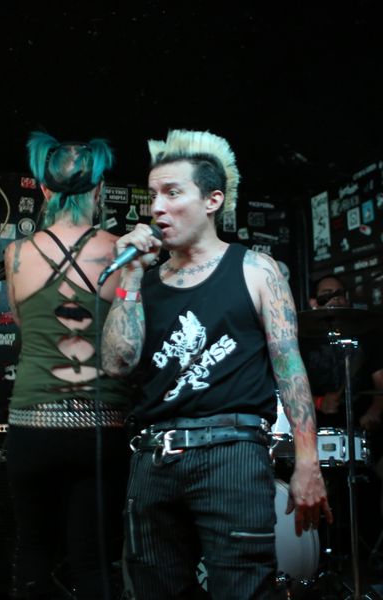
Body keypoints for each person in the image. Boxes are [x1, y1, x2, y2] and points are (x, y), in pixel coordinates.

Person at [101, 129, 332, 599]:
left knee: (243, 588)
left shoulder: (256, 270)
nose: (157, 208)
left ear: (212, 201)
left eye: (172, 193)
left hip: (232, 454)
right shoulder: (143, 282)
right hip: (154, 456)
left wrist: (308, 460)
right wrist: (131, 275)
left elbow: (290, 368)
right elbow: (117, 363)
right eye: (152, 196)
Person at [3, 131, 132, 600]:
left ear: (44, 189)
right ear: (99, 190)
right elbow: (128, 344)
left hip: (33, 423)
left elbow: (23, 325)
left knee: (33, 553)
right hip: (100, 425)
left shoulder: (17, 254)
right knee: (93, 562)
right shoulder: (121, 250)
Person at [301, 275, 383, 564]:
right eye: (326, 294)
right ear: (313, 302)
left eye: (339, 292)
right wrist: (319, 402)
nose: (335, 298)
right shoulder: (301, 339)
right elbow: (288, 389)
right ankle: (314, 560)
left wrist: (374, 412)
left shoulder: (366, 335)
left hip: (363, 430)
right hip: (318, 432)